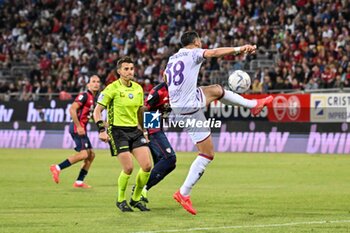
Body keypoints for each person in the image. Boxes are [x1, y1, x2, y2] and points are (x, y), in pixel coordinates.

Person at [167, 31, 273, 215]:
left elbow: (166, 79)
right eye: (200, 41)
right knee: (207, 154)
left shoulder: (172, 58)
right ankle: (183, 193)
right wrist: (240, 49)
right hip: (189, 108)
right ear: (196, 41)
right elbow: (214, 53)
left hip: (180, 104)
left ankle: (253, 105)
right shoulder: (194, 53)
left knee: (216, 90)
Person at [93, 56, 152, 212]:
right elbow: (97, 111)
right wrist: (101, 130)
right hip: (118, 131)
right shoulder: (112, 88)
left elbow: (140, 111)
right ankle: (120, 199)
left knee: (147, 166)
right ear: (119, 71)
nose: (129, 71)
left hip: (135, 130)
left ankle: (136, 199)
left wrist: (144, 130)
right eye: (126, 69)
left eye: (131, 68)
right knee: (129, 168)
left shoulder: (138, 88)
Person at [50, 75, 101, 188]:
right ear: (88, 84)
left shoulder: (95, 99)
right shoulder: (84, 95)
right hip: (77, 128)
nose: (96, 84)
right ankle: (57, 167)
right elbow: (72, 109)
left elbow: (91, 116)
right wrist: (78, 126)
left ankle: (79, 182)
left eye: (98, 82)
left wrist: (104, 125)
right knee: (84, 154)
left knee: (91, 155)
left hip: (82, 129)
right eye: (93, 81)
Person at [138, 82, 176, 203]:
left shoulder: (179, 90)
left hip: (158, 128)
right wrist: (145, 131)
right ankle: (140, 190)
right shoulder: (159, 91)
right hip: (152, 129)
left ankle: (142, 190)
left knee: (169, 165)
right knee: (170, 158)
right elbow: (143, 109)